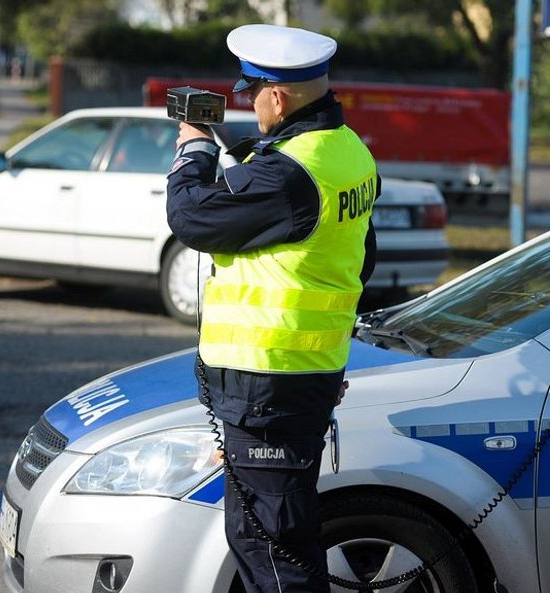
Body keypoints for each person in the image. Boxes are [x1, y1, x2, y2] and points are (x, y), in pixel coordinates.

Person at [166, 23, 378, 593]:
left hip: (270, 381)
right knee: (272, 534)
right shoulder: (348, 151)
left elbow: (192, 217)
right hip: (302, 374)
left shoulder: (287, 174)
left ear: (277, 98)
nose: (247, 102)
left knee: (270, 546)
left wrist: (193, 148)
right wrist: (243, 147)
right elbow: (360, 260)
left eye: (250, 92)